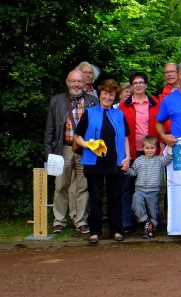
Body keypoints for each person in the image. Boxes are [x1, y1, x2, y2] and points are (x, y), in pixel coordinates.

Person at [73, 79, 130, 244]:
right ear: (100, 95)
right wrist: (88, 146)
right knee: (96, 198)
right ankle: (95, 231)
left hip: (116, 163)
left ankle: (116, 230)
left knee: (115, 198)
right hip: (94, 163)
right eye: (105, 93)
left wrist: (127, 157)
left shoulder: (119, 114)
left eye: (111, 94)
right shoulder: (89, 113)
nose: (108, 97)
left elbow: (125, 138)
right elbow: (78, 136)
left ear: (115, 97)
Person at [44, 69, 99, 234]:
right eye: (73, 81)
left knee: (83, 186)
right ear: (67, 82)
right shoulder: (57, 101)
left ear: (85, 83)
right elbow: (50, 129)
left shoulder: (93, 101)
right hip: (64, 148)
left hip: (86, 150)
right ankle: (59, 220)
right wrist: (49, 153)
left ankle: (80, 220)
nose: (76, 84)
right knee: (61, 185)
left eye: (79, 81)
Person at [118, 72, 162, 233]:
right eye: (135, 83)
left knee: (151, 186)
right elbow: (120, 129)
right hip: (130, 151)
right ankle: (128, 222)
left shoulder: (155, 103)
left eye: (141, 82)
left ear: (146, 85)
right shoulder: (124, 105)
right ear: (131, 86)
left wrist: (161, 144)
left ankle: (154, 220)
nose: (138, 85)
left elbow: (160, 124)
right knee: (128, 187)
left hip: (150, 150)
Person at [125, 135, 173, 239]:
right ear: (143, 148)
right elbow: (133, 173)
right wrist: (126, 169)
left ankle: (149, 228)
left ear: (156, 148)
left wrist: (170, 146)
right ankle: (145, 220)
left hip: (153, 191)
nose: (150, 150)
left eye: (152, 148)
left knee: (153, 211)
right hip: (140, 189)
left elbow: (168, 158)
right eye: (147, 148)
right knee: (136, 202)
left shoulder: (159, 160)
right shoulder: (139, 160)